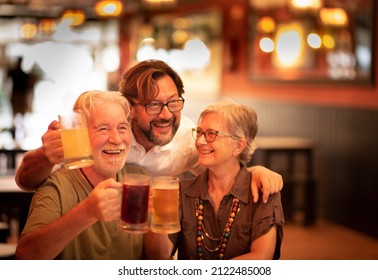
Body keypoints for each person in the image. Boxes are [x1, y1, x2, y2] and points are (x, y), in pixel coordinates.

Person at [15, 60, 283, 202]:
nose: (166, 114)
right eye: (154, 105)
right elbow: (25, 181)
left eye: (173, 102)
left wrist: (255, 171)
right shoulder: (103, 132)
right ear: (130, 108)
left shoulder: (190, 140)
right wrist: (45, 155)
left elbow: (224, 172)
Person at [15, 90, 148, 259]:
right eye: (103, 129)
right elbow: (25, 257)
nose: (116, 139)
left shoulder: (138, 178)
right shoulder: (58, 186)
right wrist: (87, 212)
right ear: (80, 134)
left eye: (122, 128)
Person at [145, 102, 284, 260]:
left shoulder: (262, 191)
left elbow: (261, 258)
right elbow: (159, 257)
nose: (200, 141)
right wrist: (157, 218)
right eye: (199, 132)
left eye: (211, 134)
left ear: (238, 146)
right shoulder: (180, 192)